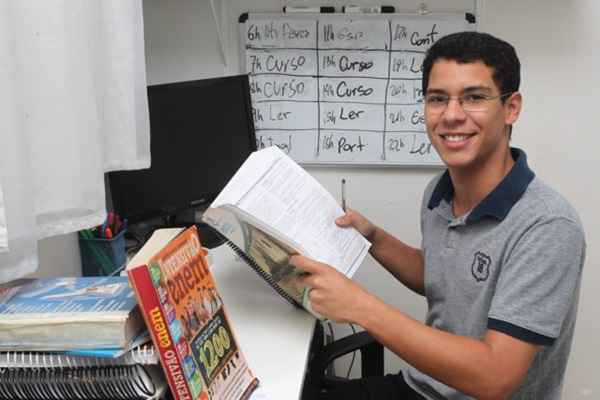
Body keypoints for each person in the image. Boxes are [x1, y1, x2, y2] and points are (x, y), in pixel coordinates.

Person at [291, 31, 586, 400]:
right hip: (425, 387)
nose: (451, 115)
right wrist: (373, 238)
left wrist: (360, 307)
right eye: (437, 99)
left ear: (511, 108)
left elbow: (495, 377)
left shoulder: (547, 226)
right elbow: (445, 280)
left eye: (474, 98)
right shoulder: (440, 191)